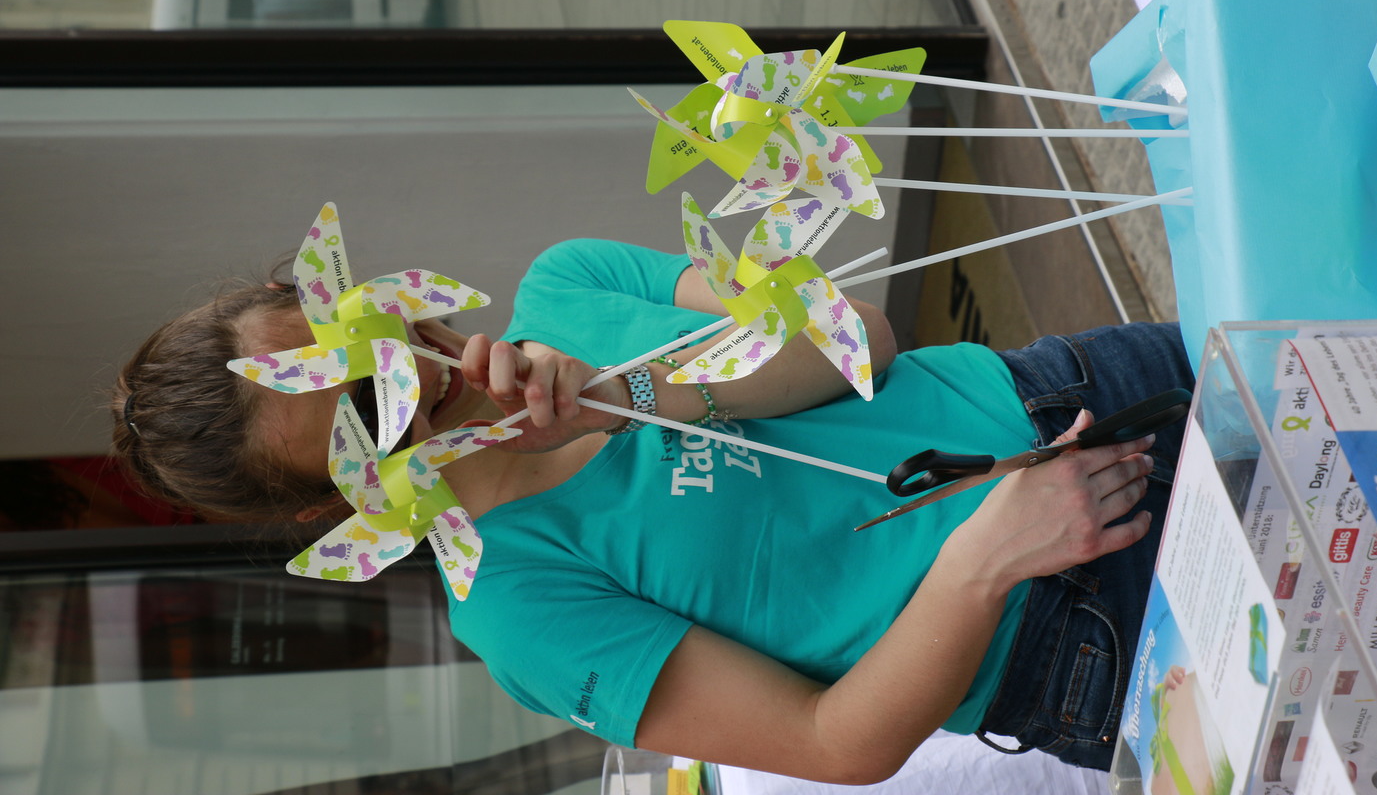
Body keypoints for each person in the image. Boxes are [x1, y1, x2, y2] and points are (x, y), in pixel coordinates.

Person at [113, 237, 1192, 783]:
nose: (406, 370)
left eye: (353, 329)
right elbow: (834, 742)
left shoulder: (569, 281)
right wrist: (982, 563)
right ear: (334, 500)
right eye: (362, 409)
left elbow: (859, 336)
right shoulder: (515, 607)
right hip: (1072, 622)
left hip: (1082, 393)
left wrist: (625, 392)